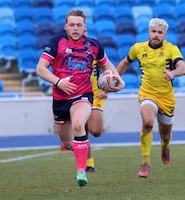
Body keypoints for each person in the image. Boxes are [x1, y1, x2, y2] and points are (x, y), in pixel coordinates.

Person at [36, 9, 125, 187]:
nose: (75, 28)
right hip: (60, 99)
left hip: (83, 95)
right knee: (68, 143)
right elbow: (41, 68)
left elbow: (107, 65)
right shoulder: (56, 43)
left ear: (85, 27)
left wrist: (119, 81)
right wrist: (59, 81)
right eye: (72, 25)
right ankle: (79, 151)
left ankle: (81, 172)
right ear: (66, 27)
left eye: (79, 25)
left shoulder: (94, 45)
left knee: (79, 124)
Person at [116, 18, 185, 179]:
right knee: (148, 122)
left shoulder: (171, 49)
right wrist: (114, 78)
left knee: (165, 134)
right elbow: (124, 63)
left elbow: (183, 68)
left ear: (165, 34)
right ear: (149, 31)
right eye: (153, 31)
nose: (156, 35)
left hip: (167, 97)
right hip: (147, 93)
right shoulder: (138, 48)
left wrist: (173, 73)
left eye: (160, 32)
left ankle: (165, 147)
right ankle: (146, 161)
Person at [86, 61, 108, 172]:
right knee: (81, 130)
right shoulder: (69, 50)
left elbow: (108, 69)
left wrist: (105, 89)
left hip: (95, 95)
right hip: (77, 94)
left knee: (96, 131)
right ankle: (89, 163)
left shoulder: (95, 49)